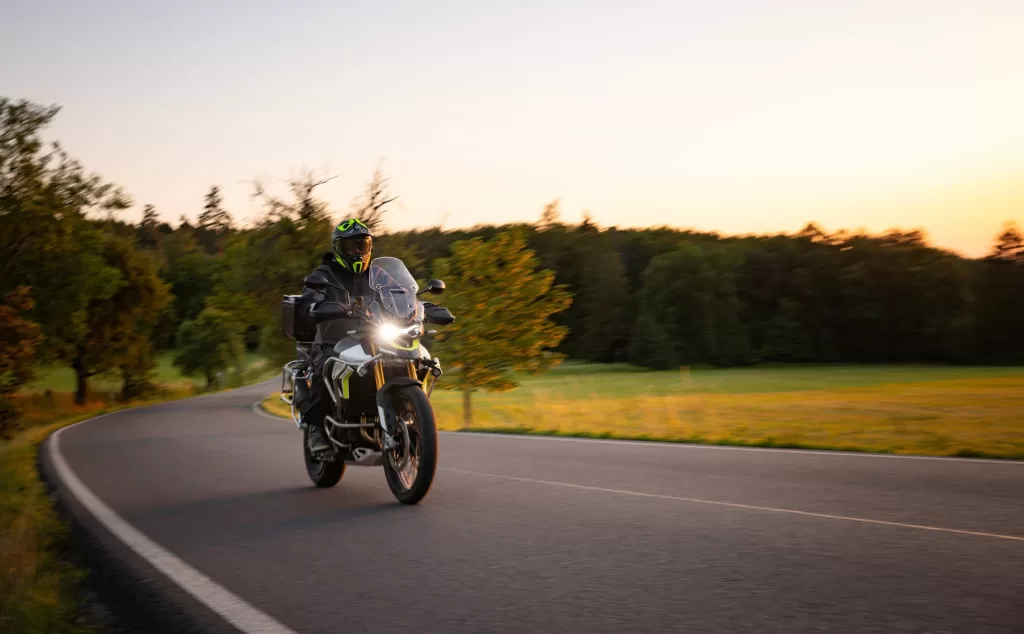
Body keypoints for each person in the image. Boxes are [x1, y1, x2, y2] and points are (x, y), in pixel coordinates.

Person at [297, 218, 373, 455]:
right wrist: (317, 306)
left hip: (372, 338)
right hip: (333, 340)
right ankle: (315, 428)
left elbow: (399, 291)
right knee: (326, 366)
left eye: (363, 245)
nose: (358, 252)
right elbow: (308, 300)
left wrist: (421, 305)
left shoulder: (376, 273)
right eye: (351, 246)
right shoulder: (324, 274)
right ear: (338, 248)